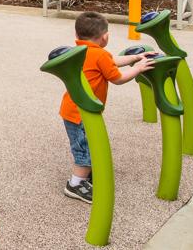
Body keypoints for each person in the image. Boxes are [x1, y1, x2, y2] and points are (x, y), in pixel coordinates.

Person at [59, 11, 154, 203]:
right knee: (85, 150)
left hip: (72, 109)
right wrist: (138, 69)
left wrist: (136, 58)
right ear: (105, 37)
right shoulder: (99, 54)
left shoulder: (81, 50)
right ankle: (75, 184)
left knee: (88, 145)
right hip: (81, 114)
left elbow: (113, 62)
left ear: (77, 36)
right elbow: (117, 78)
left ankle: (86, 175)